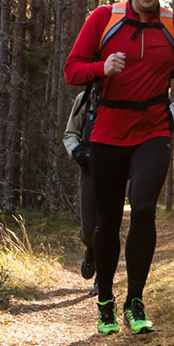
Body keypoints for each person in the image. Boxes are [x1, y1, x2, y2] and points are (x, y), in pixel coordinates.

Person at [64, 0, 174, 335]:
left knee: (143, 210)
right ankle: (106, 300)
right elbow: (72, 69)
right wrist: (101, 68)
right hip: (107, 130)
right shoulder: (103, 19)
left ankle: (135, 300)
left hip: (153, 129)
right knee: (107, 222)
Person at [62, 91, 96, 281]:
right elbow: (70, 133)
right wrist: (77, 152)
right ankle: (91, 249)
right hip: (88, 169)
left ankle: (103, 282)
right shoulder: (85, 98)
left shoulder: (127, 95)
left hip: (114, 171)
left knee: (108, 228)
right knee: (89, 231)